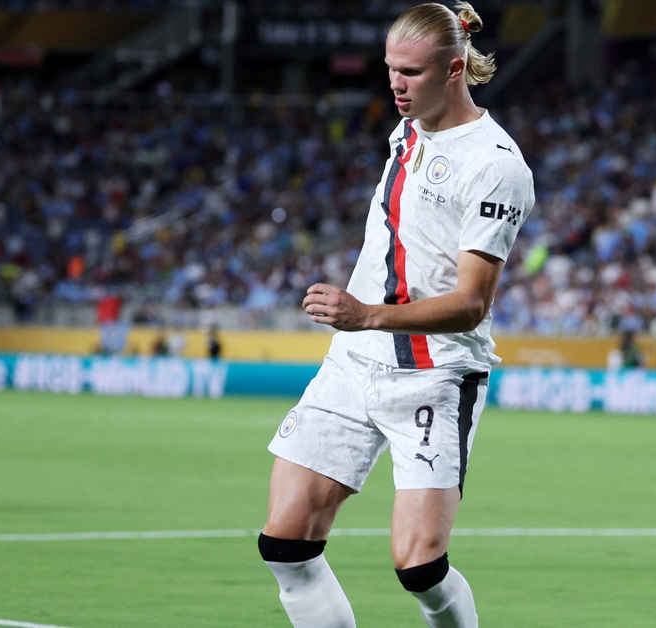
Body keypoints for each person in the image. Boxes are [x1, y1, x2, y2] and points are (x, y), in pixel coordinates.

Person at [256, 3, 534, 627]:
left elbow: (470, 305)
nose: (395, 84)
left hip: (435, 372)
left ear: (455, 70)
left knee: (419, 568)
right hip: (355, 363)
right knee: (285, 544)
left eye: (410, 71)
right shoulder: (410, 127)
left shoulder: (496, 166)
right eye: (390, 69)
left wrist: (367, 314)